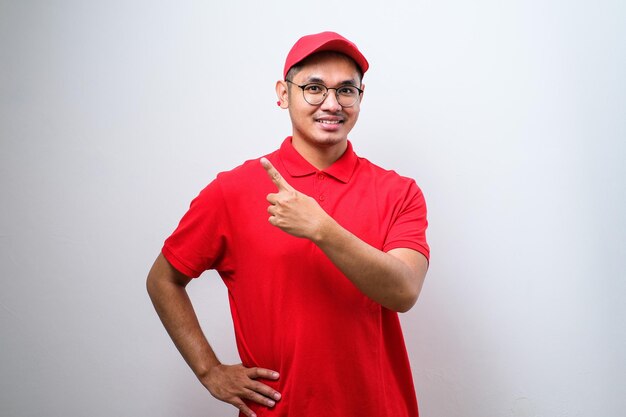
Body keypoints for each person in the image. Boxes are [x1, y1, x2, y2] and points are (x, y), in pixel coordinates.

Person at [147, 31, 430, 417]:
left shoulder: (399, 192)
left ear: (361, 98)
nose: (332, 104)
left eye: (346, 90)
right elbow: (163, 279)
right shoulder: (232, 190)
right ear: (283, 94)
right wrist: (209, 369)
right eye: (314, 88)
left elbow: (403, 291)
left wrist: (322, 229)